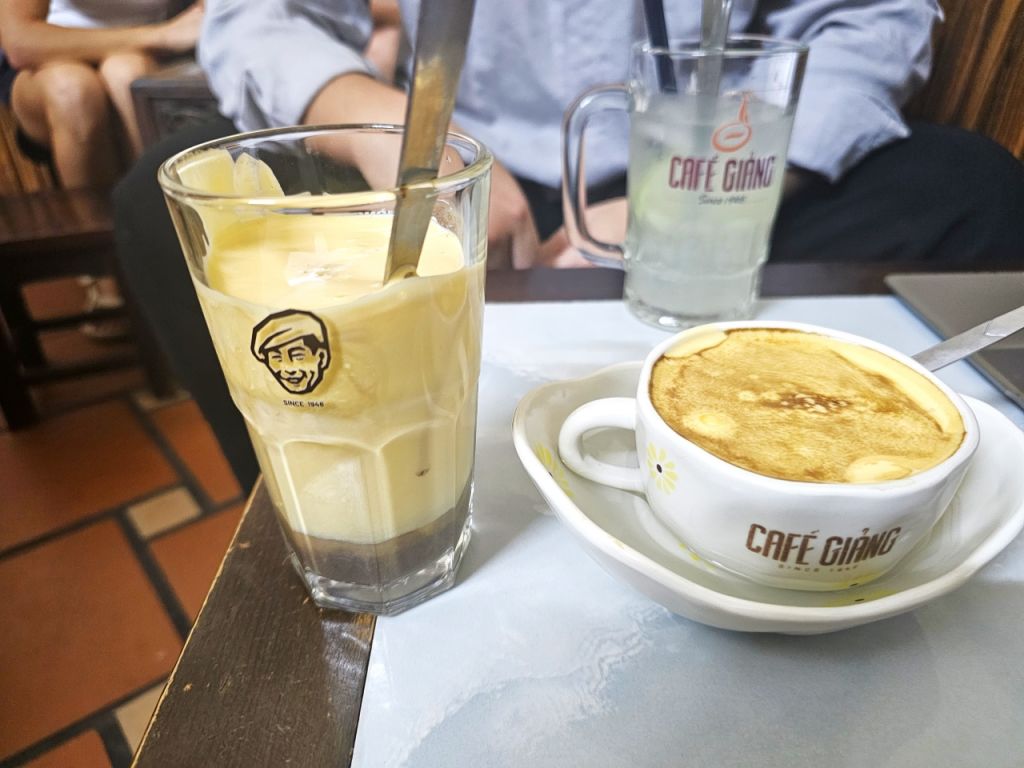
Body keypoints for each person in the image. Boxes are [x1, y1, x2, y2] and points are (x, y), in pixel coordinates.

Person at [114, 0, 1024, 490]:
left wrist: (686, 194)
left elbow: (872, 21)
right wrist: (385, 126)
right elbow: (261, 14)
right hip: (446, 160)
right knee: (164, 202)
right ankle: (308, 509)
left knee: (972, 187)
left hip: (715, 164)